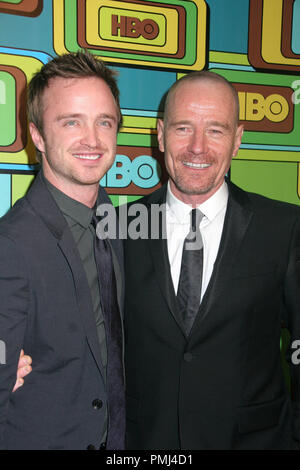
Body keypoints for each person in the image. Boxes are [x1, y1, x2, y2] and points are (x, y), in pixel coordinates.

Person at [123, 71, 300, 449]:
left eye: (216, 131)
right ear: (160, 133)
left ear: (237, 140)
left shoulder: (285, 228)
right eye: (184, 128)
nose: (198, 147)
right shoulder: (118, 228)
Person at [0, 51, 125, 450]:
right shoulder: (11, 244)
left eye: (104, 122)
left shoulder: (126, 228)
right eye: (71, 122)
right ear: (37, 135)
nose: (92, 139)